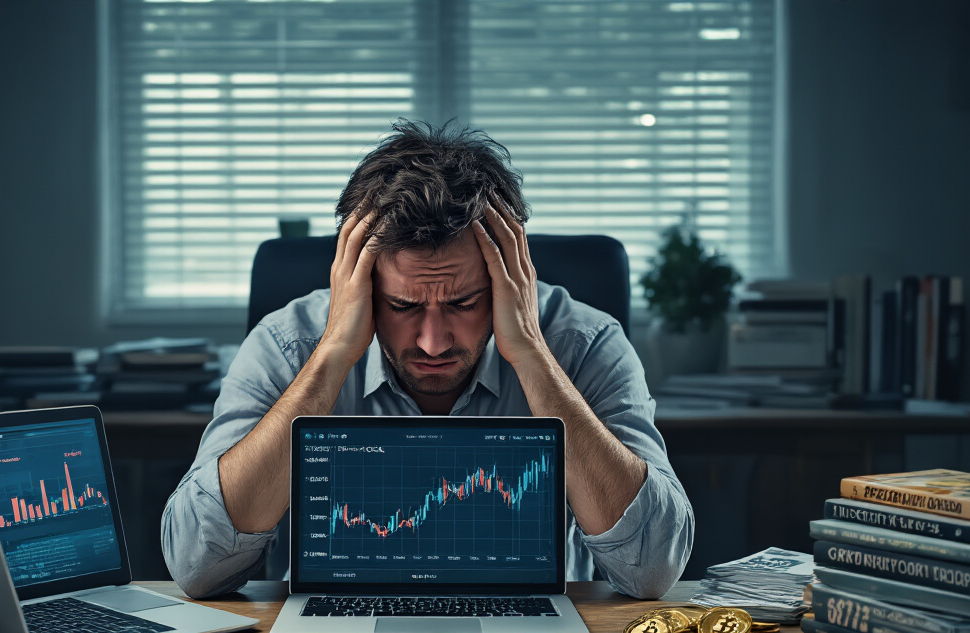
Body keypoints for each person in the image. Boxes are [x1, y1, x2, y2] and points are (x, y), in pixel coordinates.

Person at [162, 120, 693, 599]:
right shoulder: (287, 345)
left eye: (464, 303)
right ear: (362, 286)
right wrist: (330, 359)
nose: (434, 342)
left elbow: (652, 570)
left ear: (511, 278)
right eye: (402, 305)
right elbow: (197, 566)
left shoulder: (586, 342)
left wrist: (532, 355)